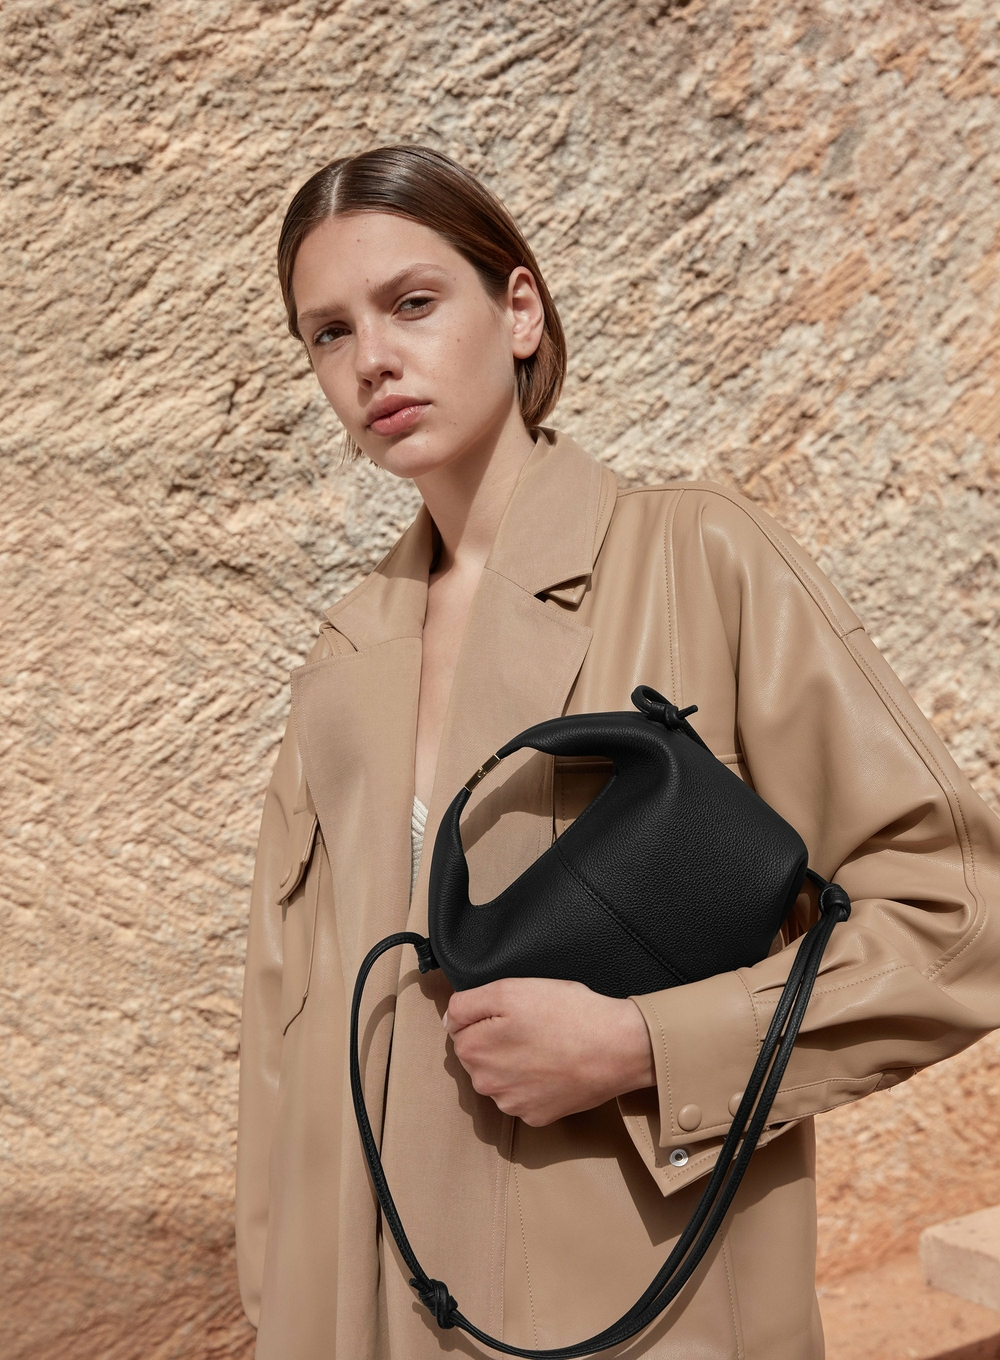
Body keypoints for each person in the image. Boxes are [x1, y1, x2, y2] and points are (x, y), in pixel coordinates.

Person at [236, 145, 1000, 1360]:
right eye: (327, 332)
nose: (370, 357)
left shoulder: (700, 561)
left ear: (519, 309)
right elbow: (286, 1061)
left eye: (412, 302)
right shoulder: (344, 662)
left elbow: (955, 910)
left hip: (635, 1312)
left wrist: (645, 1044)